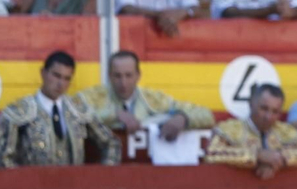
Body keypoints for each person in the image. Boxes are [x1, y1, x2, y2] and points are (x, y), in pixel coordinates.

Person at [0, 50, 121, 168]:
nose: (61, 83)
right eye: (56, 75)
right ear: (43, 73)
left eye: (66, 78)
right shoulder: (18, 111)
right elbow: (2, 160)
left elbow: (111, 143)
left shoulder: (79, 110)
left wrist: (103, 176)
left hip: (73, 188)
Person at [71, 50, 214, 143]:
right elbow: (69, 115)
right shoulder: (93, 96)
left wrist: (183, 118)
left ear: (138, 76)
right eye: (117, 76)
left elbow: (207, 115)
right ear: (109, 76)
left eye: (128, 75)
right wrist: (114, 114)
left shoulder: (153, 99)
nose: (123, 83)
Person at [206, 83, 297, 178]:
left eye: (275, 112)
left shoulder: (286, 131)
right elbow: (211, 154)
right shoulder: (229, 129)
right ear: (251, 104)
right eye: (264, 109)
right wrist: (257, 156)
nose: (268, 117)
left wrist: (278, 158)